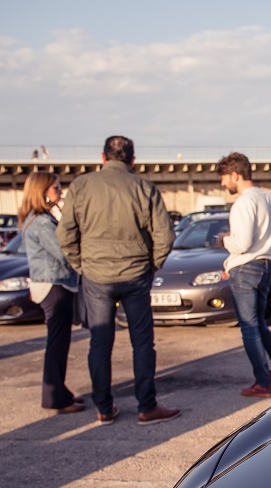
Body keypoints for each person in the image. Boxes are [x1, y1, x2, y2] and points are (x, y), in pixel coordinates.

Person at [57, 135, 180, 426]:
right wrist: (152, 266)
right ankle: (147, 407)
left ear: (102, 157)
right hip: (136, 273)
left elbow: (65, 234)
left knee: (100, 343)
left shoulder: (81, 186)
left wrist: (81, 264)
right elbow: (165, 234)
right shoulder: (143, 187)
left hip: (96, 275)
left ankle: (104, 407)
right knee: (142, 343)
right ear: (133, 160)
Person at [217, 152, 271, 398]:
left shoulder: (243, 202)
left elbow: (242, 243)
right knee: (260, 324)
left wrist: (224, 240)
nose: (222, 183)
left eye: (224, 178)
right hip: (267, 267)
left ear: (235, 175)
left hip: (246, 267)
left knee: (249, 328)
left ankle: (263, 383)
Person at [19, 172, 83, 414]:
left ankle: (60, 392)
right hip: (53, 285)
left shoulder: (36, 219)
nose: (61, 192)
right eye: (56, 188)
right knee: (57, 343)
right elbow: (64, 250)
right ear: (43, 191)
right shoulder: (43, 222)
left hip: (50, 284)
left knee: (59, 342)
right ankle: (55, 397)